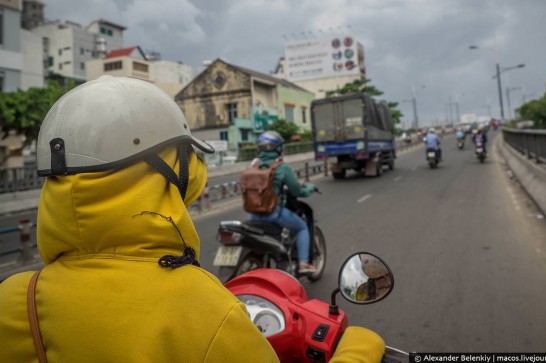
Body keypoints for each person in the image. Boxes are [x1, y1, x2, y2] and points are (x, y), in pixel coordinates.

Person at [0, 76, 385, 363]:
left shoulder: (16, 298)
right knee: (301, 227)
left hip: (254, 219)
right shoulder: (205, 312)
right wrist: (359, 350)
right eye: (185, 156)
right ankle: (303, 260)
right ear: (162, 168)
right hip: (278, 219)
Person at [249, 130, 318, 274]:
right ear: (277, 148)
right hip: (274, 214)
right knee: (302, 228)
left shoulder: (254, 166)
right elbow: (297, 191)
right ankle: (304, 264)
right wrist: (310, 189)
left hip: (253, 215)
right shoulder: (282, 167)